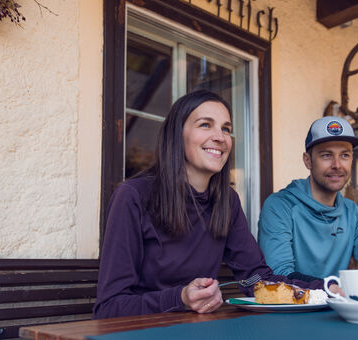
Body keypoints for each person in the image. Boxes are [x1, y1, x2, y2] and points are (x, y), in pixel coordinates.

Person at [93, 90, 333, 319]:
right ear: (177, 135)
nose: (220, 137)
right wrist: (180, 298)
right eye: (205, 124)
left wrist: (328, 288)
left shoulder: (227, 201)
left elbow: (254, 279)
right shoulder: (134, 196)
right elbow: (109, 307)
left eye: (226, 129)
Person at [258, 116, 358, 283]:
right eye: (326, 155)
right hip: (293, 307)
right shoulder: (279, 206)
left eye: (345, 155)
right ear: (308, 161)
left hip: (337, 305)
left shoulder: (352, 212)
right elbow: (278, 275)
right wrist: (334, 288)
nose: (337, 165)